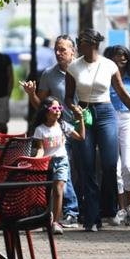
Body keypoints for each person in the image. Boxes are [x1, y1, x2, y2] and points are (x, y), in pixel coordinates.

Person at [64, 28, 130, 232]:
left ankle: (108, 209)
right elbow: (68, 97)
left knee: (110, 164)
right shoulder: (73, 67)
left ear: (93, 44)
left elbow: (122, 93)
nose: (79, 46)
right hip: (84, 113)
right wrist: (73, 107)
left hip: (106, 113)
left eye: (82, 42)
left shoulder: (109, 65)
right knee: (86, 166)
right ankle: (91, 217)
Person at [22, 35, 81, 227]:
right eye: (56, 49)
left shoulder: (82, 70)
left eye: (63, 49)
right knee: (65, 170)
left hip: (82, 126)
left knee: (85, 169)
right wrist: (32, 94)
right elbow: (41, 106)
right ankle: (71, 212)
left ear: (73, 51)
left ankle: (88, 211)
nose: (58, 53)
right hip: (59, 130)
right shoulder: (48, 74)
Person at [103, 45, 130, 226]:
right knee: (115, 168)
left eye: (125, 56)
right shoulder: (104, 78)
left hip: (129, 120)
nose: (122, 59)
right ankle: (120, 208)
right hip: (110, 118)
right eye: (118, 56)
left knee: (128, 166)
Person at [32, 96, 85, 235]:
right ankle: (47, 218)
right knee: (46, 192)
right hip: (46, 162)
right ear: (46, 111)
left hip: (62, 161)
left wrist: (81, 119)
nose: (58, 111)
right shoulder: (40, 130)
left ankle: (56, 222)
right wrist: (36, 160)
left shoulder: (63, 125)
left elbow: (81, 137)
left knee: (58, 190)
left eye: (59, 108)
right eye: (54, 108)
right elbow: (40, 149)